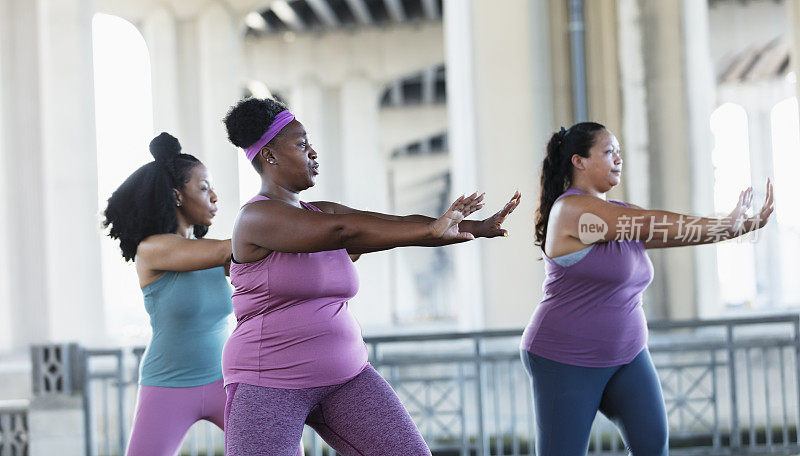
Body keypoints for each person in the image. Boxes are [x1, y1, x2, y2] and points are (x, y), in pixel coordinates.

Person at [220, 97, 521, 456]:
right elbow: (343, 232)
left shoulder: (320, 212)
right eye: (301, 144)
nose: (314, 152)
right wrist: (432, 231)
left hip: (346, 377)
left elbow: (387, 224)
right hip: (267, 384)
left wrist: (471, 226)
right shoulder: (255, 219)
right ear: (269, 156)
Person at [520, 122, 774, 456]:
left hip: (627, 356)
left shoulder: (620, 214)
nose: (618, 159)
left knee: (653, 448)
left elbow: (673, 232)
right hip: (565, 358)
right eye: (609, 152)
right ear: (579, 161)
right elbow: (650, 222)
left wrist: (732, 229)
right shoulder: (571, 211)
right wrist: (722, 223)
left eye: (619, 153)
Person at [103, 133, 236, 456]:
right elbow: (231, 250)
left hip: (225, 382)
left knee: (281, 449)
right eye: (204, 188)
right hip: (167, 384)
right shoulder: (152, 250)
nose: (215, 197)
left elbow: (269, 265)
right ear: (177, 195)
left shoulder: (214, 252)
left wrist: (331, 249)